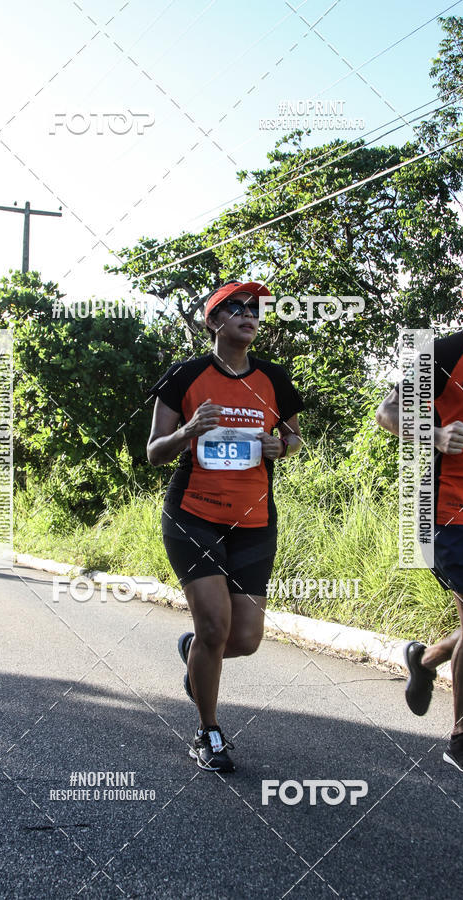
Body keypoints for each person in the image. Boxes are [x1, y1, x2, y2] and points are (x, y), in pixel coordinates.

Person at [147, 281, 304, 772]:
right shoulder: (186, 376)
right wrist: (187, 430)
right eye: (234, 307)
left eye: (254, 309)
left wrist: (284, 446)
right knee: (215, 626)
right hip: (193, 513)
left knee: (245, 639)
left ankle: (194, 654)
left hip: (255, 519)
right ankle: (208, 731)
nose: (247, 314)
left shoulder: (274, 378)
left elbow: (294, 437)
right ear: (213, 322)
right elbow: (154, 452)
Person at [376, 248, 463, 779]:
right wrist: (431, 432)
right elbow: (387, 412)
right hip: (447, 507)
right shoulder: (445, 352)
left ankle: (424, 661)